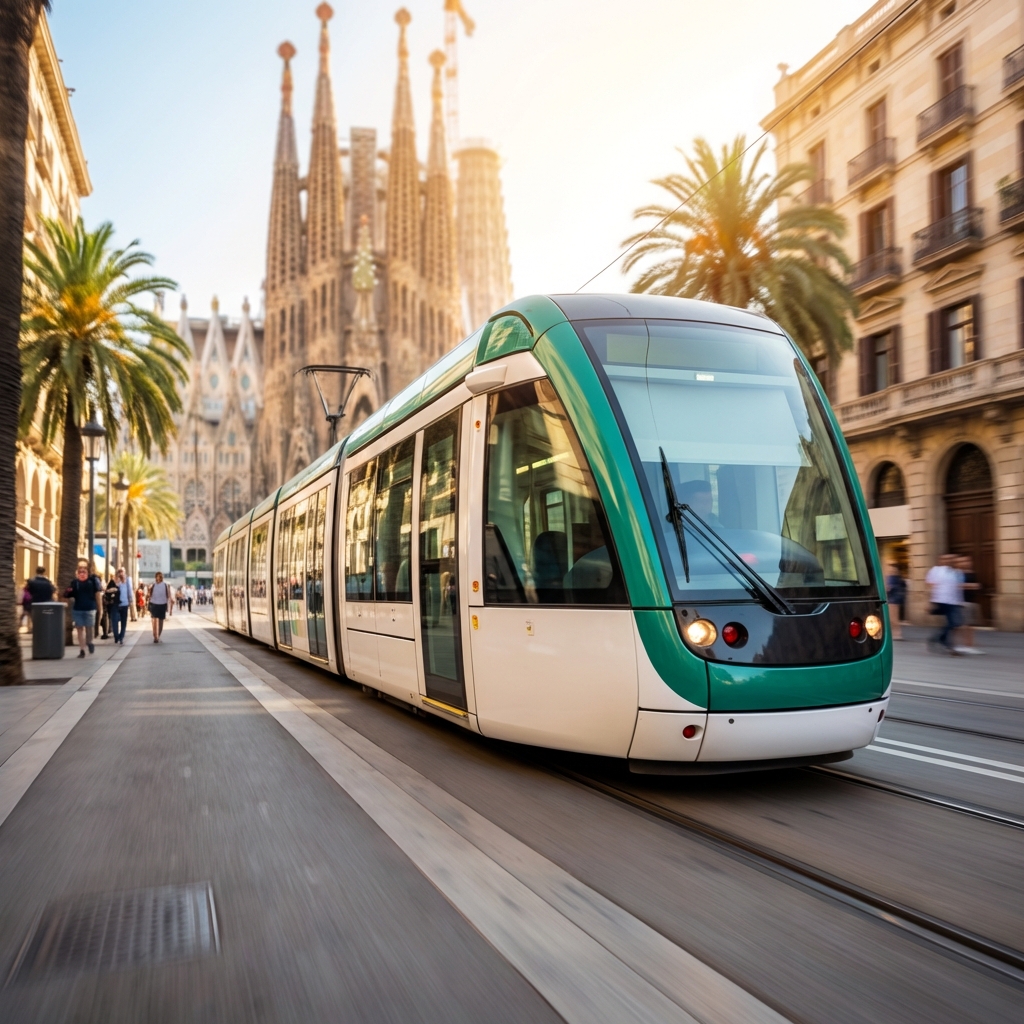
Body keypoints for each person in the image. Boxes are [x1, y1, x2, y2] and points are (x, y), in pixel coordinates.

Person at [926, 554, 963, 655]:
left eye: (950, 559)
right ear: (940, 560)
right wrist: (930, 602)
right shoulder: (936, 570)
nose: (948, 561)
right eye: (945, 559)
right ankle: (947, 644)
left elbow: (957, 588)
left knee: (956, 623)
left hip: (953, 601)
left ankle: (938, 639)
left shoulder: (955, 572)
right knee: (953, 622)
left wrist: (960, 601)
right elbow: (930, 586)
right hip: (941, 600)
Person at [65, 561, 102, 657]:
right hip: (78, 609)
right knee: (79, 629)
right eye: (80, 571)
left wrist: (99, 607)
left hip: (90, 609)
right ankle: (82, 650)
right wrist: (67, 592)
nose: (82, 573)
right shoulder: (74, 583)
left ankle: (89, 642)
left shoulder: (93, 581)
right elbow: (68, 594)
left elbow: (97, 594)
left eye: (84, 571)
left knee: (89, 628)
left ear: (87, 572)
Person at [956, 555, 984, 655]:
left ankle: (969, 645)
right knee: (965, 625)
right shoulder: (957, 574)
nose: (966, 563)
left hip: (972, 601)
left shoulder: (971, 573)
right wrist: (972, 586)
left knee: (970, 625)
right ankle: (965, 645)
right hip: (962, 601)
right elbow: (956, 585)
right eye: (962, 561)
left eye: (967, 560)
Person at [885, 562, 906, 641]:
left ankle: (897, 634)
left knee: (893, 618)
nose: (890, 570)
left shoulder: (892, 578)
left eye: (891, 568)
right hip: (897, 600)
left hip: (892, 600)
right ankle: (897, 633)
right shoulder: (899, 578)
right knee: (894, 618)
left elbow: (888, 588)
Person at [148, 572, 170, 642]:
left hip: (162, 604)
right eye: (157, 576)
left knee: (161, 621)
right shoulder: (153, 585)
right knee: (154, 620)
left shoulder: (165, 585)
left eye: (159, 577)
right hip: (154, 604)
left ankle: (158, 634)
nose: (158, 578)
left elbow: (168, 596)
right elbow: (150, 594)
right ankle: (155, 636)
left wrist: (168, 606)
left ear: (161, 577)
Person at [114, 567, 133, 645]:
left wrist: (130, 600)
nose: (121, 573)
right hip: (117, 604)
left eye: (123, 571)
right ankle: (117, 636)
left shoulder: (128, 580)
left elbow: (130, 591)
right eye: (120, 571)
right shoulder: (116, 581)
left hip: (125, 604)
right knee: (115, 621)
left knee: (123, 622)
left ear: (125, 572)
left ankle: (121, 637)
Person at [101, 574, 119, 640]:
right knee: (113, 618)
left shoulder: (108, 588)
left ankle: (107, 631)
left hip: (108, 605)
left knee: (107, 617)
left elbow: (106, 595)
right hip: (114, 604)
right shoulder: (116, 588)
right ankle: (112, 630)